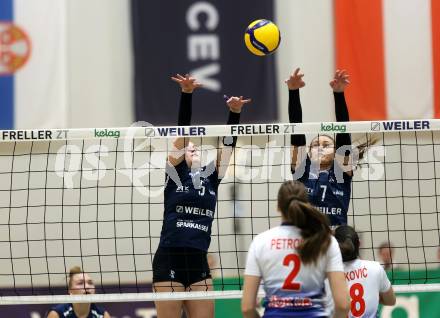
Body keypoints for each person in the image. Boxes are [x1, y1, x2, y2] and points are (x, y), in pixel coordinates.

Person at [152, 73, 250, 318]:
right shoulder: (174, 173)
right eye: (188, 147)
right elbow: (183, 132)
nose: (192, 148)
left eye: (196, 147)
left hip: (199, 261)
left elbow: (228, 147)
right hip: (170, 258)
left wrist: (234, 114)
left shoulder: (211, 177)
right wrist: (186, 95)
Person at [241, 180, 350, 318]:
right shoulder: (325, 241)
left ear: (278, 207)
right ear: (307, 204)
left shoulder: (260, 242)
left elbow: (247, 308)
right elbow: (343, 305)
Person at [287, 68, 372, 227]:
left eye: (326, 145)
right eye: (315, 145)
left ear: (335, 152)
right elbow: (296, 131)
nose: (320, 147)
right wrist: (293, 92)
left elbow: (343, 131)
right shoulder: (302, 171)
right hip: (306, 237)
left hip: (335, 238)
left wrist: (339, 94)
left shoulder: (341, 170)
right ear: (309, 153)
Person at [335, 226, 396, 317]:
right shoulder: (376, 268)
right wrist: (371, 294)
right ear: (359, 244)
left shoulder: (330, 276)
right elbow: (391, 301)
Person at [46, 266, 110, 318]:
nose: (87, 287)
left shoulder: (102, 315)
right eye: (80, 283)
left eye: (90, 283)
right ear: (70, 291)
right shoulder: (57, 314)